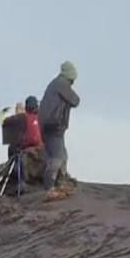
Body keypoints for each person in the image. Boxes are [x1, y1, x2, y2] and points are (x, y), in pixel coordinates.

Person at [38, 61, 80, 192]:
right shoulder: (61, 84)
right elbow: (75, 100)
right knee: (57, 157)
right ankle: (49, 186)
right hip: (53, 126)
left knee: (62, 156)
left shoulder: (55, 84)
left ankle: (60, 182)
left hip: (49, 126)